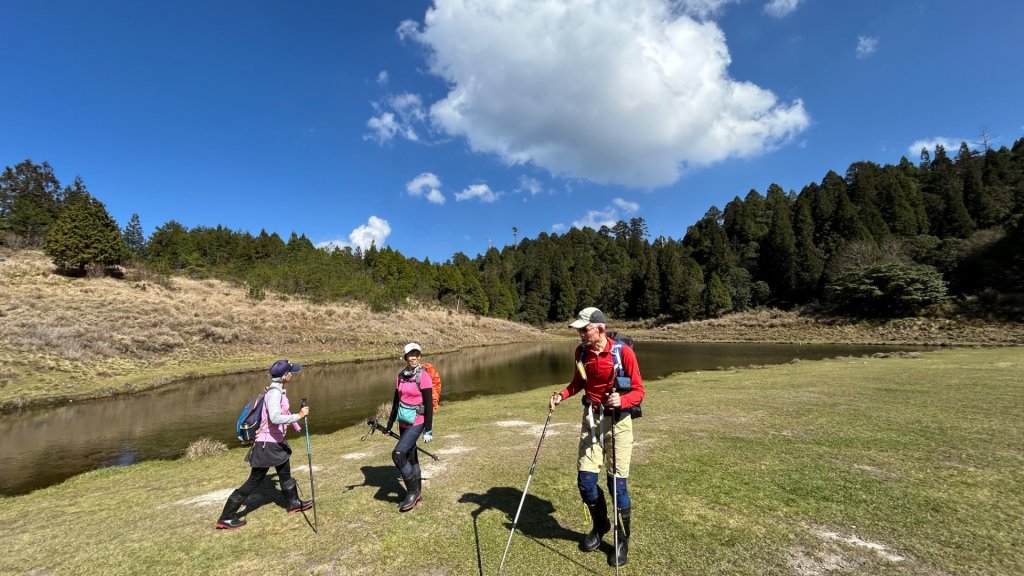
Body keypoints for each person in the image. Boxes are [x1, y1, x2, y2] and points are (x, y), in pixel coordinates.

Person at [550, 307, 644, 567]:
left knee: (617, 486)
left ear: (600, 328)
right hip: (591, 420)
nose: (580, 333)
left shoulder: (623, 353)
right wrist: (560, 395)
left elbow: (639, 391)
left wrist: (622, 400)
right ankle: (601, 525)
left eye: (585, 329)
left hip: (618, 422)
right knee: (586, 482)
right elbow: (578, 383)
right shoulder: (581, 353)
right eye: (579, 330)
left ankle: (622, 540)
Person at [216, 359, 313, 529]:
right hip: (267, 445)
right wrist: (298, 416)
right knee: (254, 481)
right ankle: (226, 517)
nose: (293, 375)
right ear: (285, 375)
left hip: (275, 442)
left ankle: (293, 503)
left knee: (285, 473)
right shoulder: (274, 394)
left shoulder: (276, 391)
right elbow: (275, 418)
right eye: (291, 372)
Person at [383, 342, 434, 512]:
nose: (414, 358)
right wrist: (389, 424)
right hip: (403, 421)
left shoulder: (423, 376)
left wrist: (428, 429)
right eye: (411, 355)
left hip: (417, 422)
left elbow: (428, 404)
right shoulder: (401, 376)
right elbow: (396, 401)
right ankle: (418, 494)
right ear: (405, 357)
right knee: (411, 458)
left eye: (417, 354)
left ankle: (412, 492)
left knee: (398, 454)